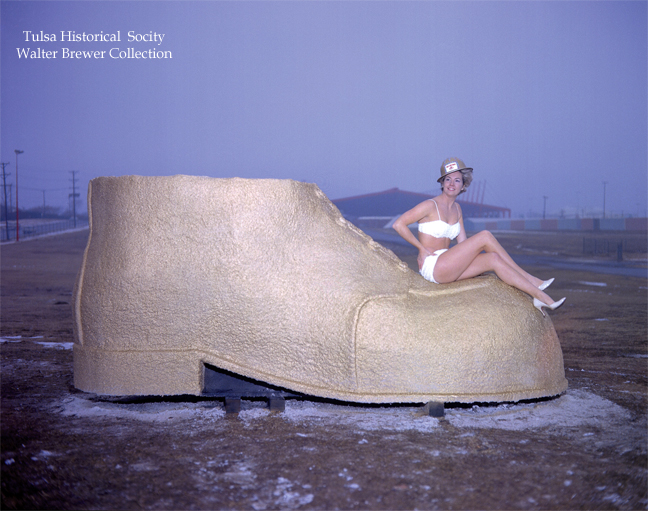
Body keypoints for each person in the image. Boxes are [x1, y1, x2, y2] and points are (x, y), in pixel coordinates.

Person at [392, 157, 565, 316]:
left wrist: (477, 263)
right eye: (448, 179)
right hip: (434, 266)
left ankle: (539, 297)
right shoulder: (430, 205)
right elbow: (398, 224)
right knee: (485, 236)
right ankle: (531, 279)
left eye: (457, 180)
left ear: (463, 185)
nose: (452, 183)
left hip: (449, 265)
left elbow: (463, 244)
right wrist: (421, 249)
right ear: (442, 183)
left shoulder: (457, 209)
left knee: (493, 259)